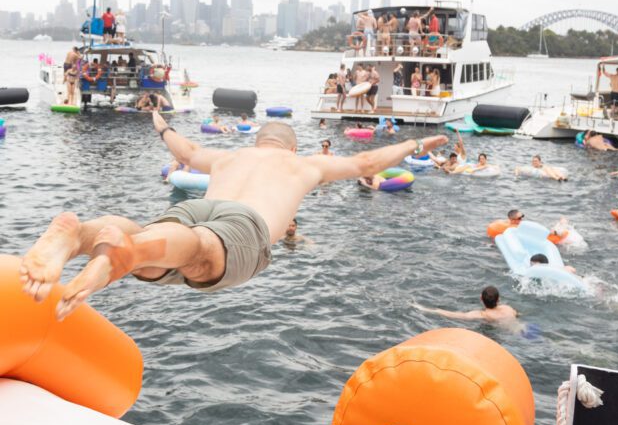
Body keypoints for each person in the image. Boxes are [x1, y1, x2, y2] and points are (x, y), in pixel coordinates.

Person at [18, 114, 448, 319]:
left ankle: (80, 237)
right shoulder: (304, 165)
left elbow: (184, 152)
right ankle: (127, 250)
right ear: (291, 148)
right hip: (242, 224)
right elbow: (367, 162)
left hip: (198, 208)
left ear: (258, 141)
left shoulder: (228, 157)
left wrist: (161, 125)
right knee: (202, 252)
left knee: (159, 246)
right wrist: (416, 145)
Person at [418, 286, 517, 323]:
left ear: (481, 299)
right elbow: (517, 315)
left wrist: (432, 310)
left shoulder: (482, 315)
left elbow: (454, 315)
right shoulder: (508, 308)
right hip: (525, 329)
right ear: (498, 299)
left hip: (509, 335)